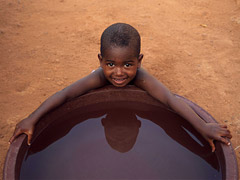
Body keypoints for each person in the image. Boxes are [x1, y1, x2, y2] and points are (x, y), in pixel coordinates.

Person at [9, 23, 232, 152]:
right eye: (110, 64)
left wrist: (203, 127)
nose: (118, 73)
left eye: (128, 64)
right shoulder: (97, 78)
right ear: (100, 60)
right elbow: (65, 94)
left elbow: (170, 100)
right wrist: (33, 118)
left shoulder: (142, 78)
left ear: (139, 61)